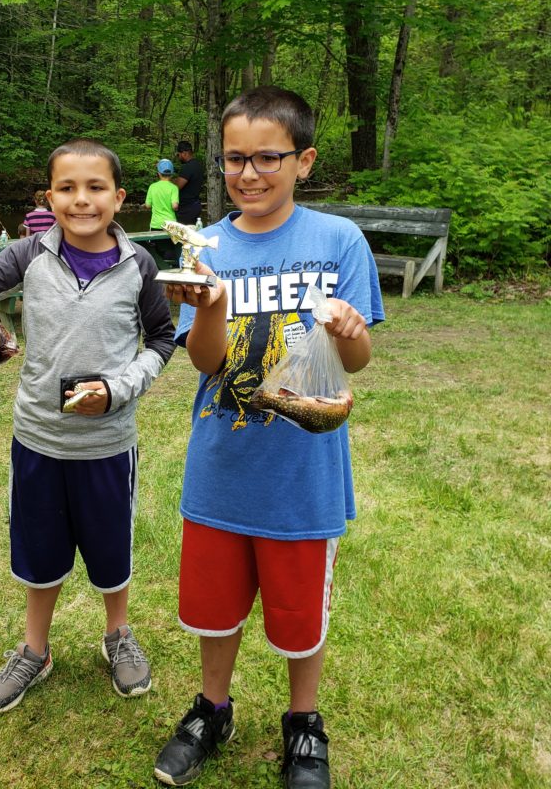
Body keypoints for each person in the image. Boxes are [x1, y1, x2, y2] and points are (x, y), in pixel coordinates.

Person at [153, 87, 385, 789]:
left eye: (267, 158)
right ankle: (211, 708)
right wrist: (210, 306)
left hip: (302, 473)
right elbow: (203, 362)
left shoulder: (337, 240)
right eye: (233, 160)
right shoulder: (208, 247)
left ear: (304, 159)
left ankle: (303, 725)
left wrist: (349, 333)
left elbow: (357, 362)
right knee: (214, 606)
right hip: (221, 465)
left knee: (296, 609)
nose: (248, 174)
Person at [0, 138, 175, 715]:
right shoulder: (25, 255)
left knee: (111, 548)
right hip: (38, 438)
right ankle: (34, 650)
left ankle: (117, 633)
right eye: (67, 188)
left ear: (120, 198)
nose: (81, 200)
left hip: (108, 444)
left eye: (96, 188)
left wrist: (118, 390)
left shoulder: (139, 265)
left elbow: (164, 340)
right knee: (41, 551)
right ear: (50, 196)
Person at [174, 140, 204, 225]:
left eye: (178, 155)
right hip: (195, 205)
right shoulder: (198, 165)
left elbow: (177, 187)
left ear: (184, 153)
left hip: (186, 208)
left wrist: (166, 181)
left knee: (183, 234)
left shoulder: (187, 167)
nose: (178, 157)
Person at [145, 159, 179, 231]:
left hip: (156, 224)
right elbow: (174, 206)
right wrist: (176, 208)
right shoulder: (174, 188)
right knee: (170, 242)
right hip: (171, 224)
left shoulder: (152, 186)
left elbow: (148, 205)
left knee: (155, 242)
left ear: (159, 173)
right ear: (171, 174)